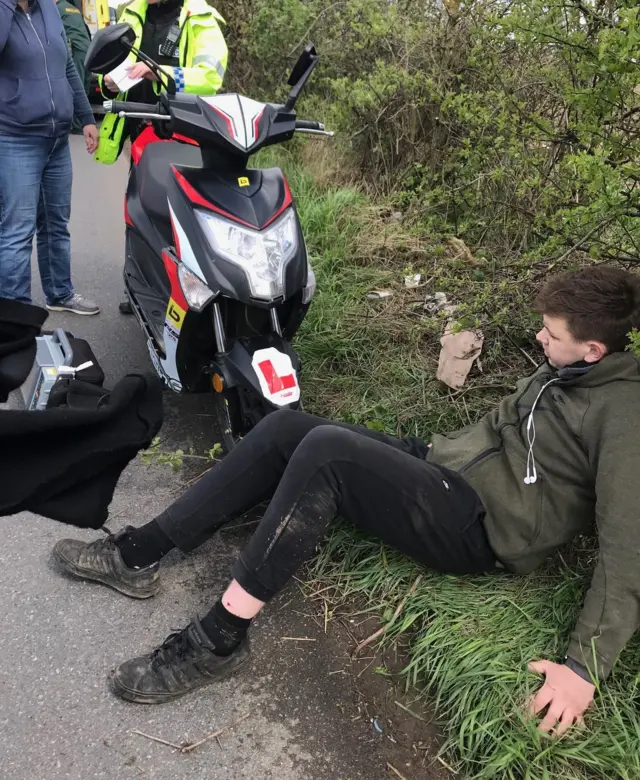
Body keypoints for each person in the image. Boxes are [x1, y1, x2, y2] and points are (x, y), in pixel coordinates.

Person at [53, 265, 640, 737]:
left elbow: (626, 544)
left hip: (481, 527)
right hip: (443, 467)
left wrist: (583, 668)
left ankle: (218, 639)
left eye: (552, 334)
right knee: (288, 430)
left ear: (593, 349)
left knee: (328, 454)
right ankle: (139, 554)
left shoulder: (624, 416)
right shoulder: (568, 369)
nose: (539, 337)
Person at [0, 0, 100, 315]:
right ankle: (16, 313)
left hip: (56, 140)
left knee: (56, 222)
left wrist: (85, 117)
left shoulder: (50, 8)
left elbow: (66, 65)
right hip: (16, 137)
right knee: (18, 229)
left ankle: (59, 294)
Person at [95, 0, 228, 164]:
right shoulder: (131, 13)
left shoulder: (200, 18)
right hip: (139, 135)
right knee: (137, 187)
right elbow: (111, 63)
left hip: (182, 138)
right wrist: (109, 84)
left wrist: (160, 73)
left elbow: (210, 77)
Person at [56, 0, 92, 134]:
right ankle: (83, 120)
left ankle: (76, 125)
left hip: (76, 51)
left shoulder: (57, 9)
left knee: (76, 86)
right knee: (85, 85)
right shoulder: (73, 8)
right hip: (88, 50)